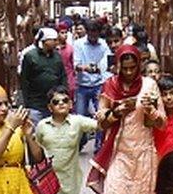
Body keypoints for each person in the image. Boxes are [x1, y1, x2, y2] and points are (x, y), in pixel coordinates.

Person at [91, 45, 165, 194]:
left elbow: (161, 123)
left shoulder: (150, 85)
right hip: (119, 154)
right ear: (118, 67)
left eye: (134, 68)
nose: (130, 72)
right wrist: (118, 112)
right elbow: (101, 123)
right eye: (125, 68)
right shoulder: (110, 86)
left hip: (144, 155)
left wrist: (151, 110)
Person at [73, 19, 110, 150]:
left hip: (98, 84)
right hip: (82, 85)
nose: (93, 36)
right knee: (79, 116)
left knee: (101, 115)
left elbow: (105, 65)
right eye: (91, 33)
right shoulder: (78, 44)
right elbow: (76, 64)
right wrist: (85, 68)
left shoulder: (104, 45)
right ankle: (80, 142)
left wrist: (97, 69)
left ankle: (99, 145)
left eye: (95, 33)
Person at [20, 27, 67, 128]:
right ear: (45, 41)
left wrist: (63, 94)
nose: (56, 42)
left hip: (54, 103)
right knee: (35, 134)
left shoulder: (57, 56)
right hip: (35, 104)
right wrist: (26, 103)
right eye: (53, 40)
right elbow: (24, 80)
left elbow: (62, 76)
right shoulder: (30, 56)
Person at [56, 21, 77, 99]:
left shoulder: (70, 48)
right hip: (56, 79)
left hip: (69, 80)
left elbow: (72, 65)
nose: (65, 35)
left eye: (66, 32)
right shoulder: (54, 49)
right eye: (62, 33)